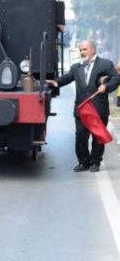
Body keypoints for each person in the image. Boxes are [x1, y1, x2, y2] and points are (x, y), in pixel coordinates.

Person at [47, 40, 120, 172]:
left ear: (93, 50)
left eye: (84, 49)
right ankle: (83, 162)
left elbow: (116, 78)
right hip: (82, 108)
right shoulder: (76, 67)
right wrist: (56, 82)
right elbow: (67, 77)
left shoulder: (105, 64)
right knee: (80, 135)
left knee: (98, 136)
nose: (82, 52)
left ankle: (95, 162)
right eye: (80, 50)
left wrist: (107, 86)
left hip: (98, 107)